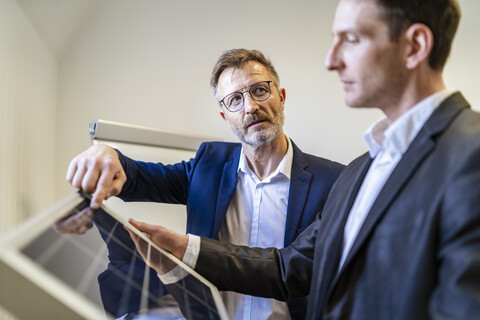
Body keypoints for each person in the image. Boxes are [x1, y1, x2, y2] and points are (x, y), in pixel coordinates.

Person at [127, 0, 480, 318]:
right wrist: (185, 249)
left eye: (351, 39)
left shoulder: (470, 151)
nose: (331, 60)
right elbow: (288, 269)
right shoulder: (361, 170)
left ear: (415, 46)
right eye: (235, 99)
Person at [64, 49, 344, 319]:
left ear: (281, 98)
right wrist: (108, 155)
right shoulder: (208, 166)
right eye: (234, 100)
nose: (250, 107)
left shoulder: (333, 181)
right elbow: (139, 177)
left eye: (260, 90)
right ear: (225, 116)